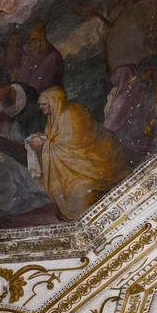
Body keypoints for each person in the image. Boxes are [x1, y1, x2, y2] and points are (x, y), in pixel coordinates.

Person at [26, 86, 129, 220]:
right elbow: (57, 139)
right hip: (70, 165)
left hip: (88, 161)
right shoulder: (53, 117)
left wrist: (45, 145)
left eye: (43, 104)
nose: (41, 108)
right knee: (67, 189)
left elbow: (75, 145)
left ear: (54, 101)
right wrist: (43, 140)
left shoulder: (72, 113)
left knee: (80, 191)